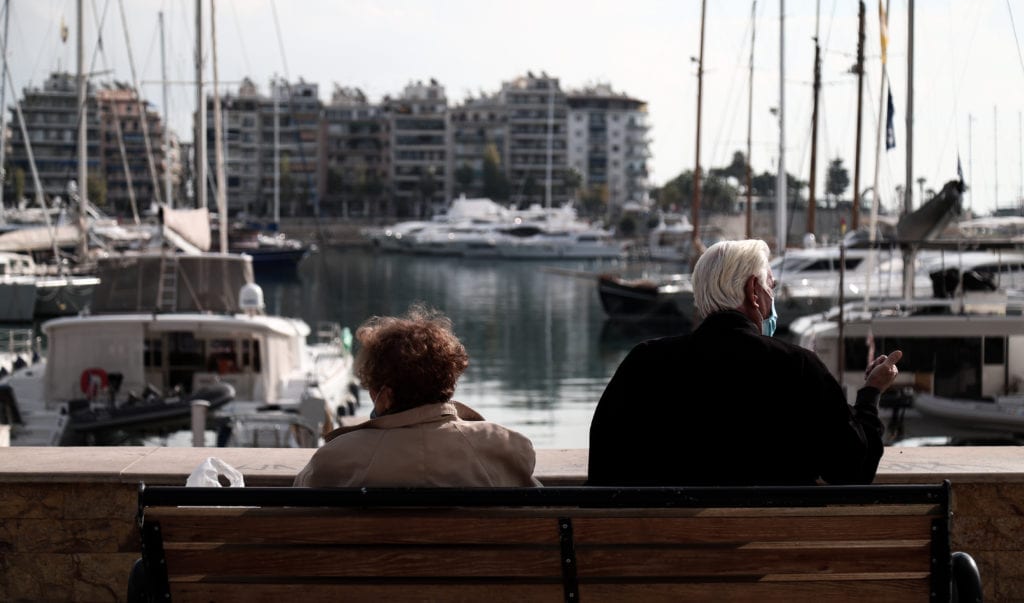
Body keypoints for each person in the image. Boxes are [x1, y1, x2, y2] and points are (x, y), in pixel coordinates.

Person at [587, 238, 902, 487]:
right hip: (772, 561)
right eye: (771, 288)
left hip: (659, 562)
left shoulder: (643, 364)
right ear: (754, 291)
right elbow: (854, 471)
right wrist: (871, 393)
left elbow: (603, 472)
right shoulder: (798, 367)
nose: (772, 300)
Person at [294, 305, 538, 487]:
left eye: (371, 388)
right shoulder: (506, 448)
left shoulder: (336, 459)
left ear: (385, 396)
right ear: (448, 382)